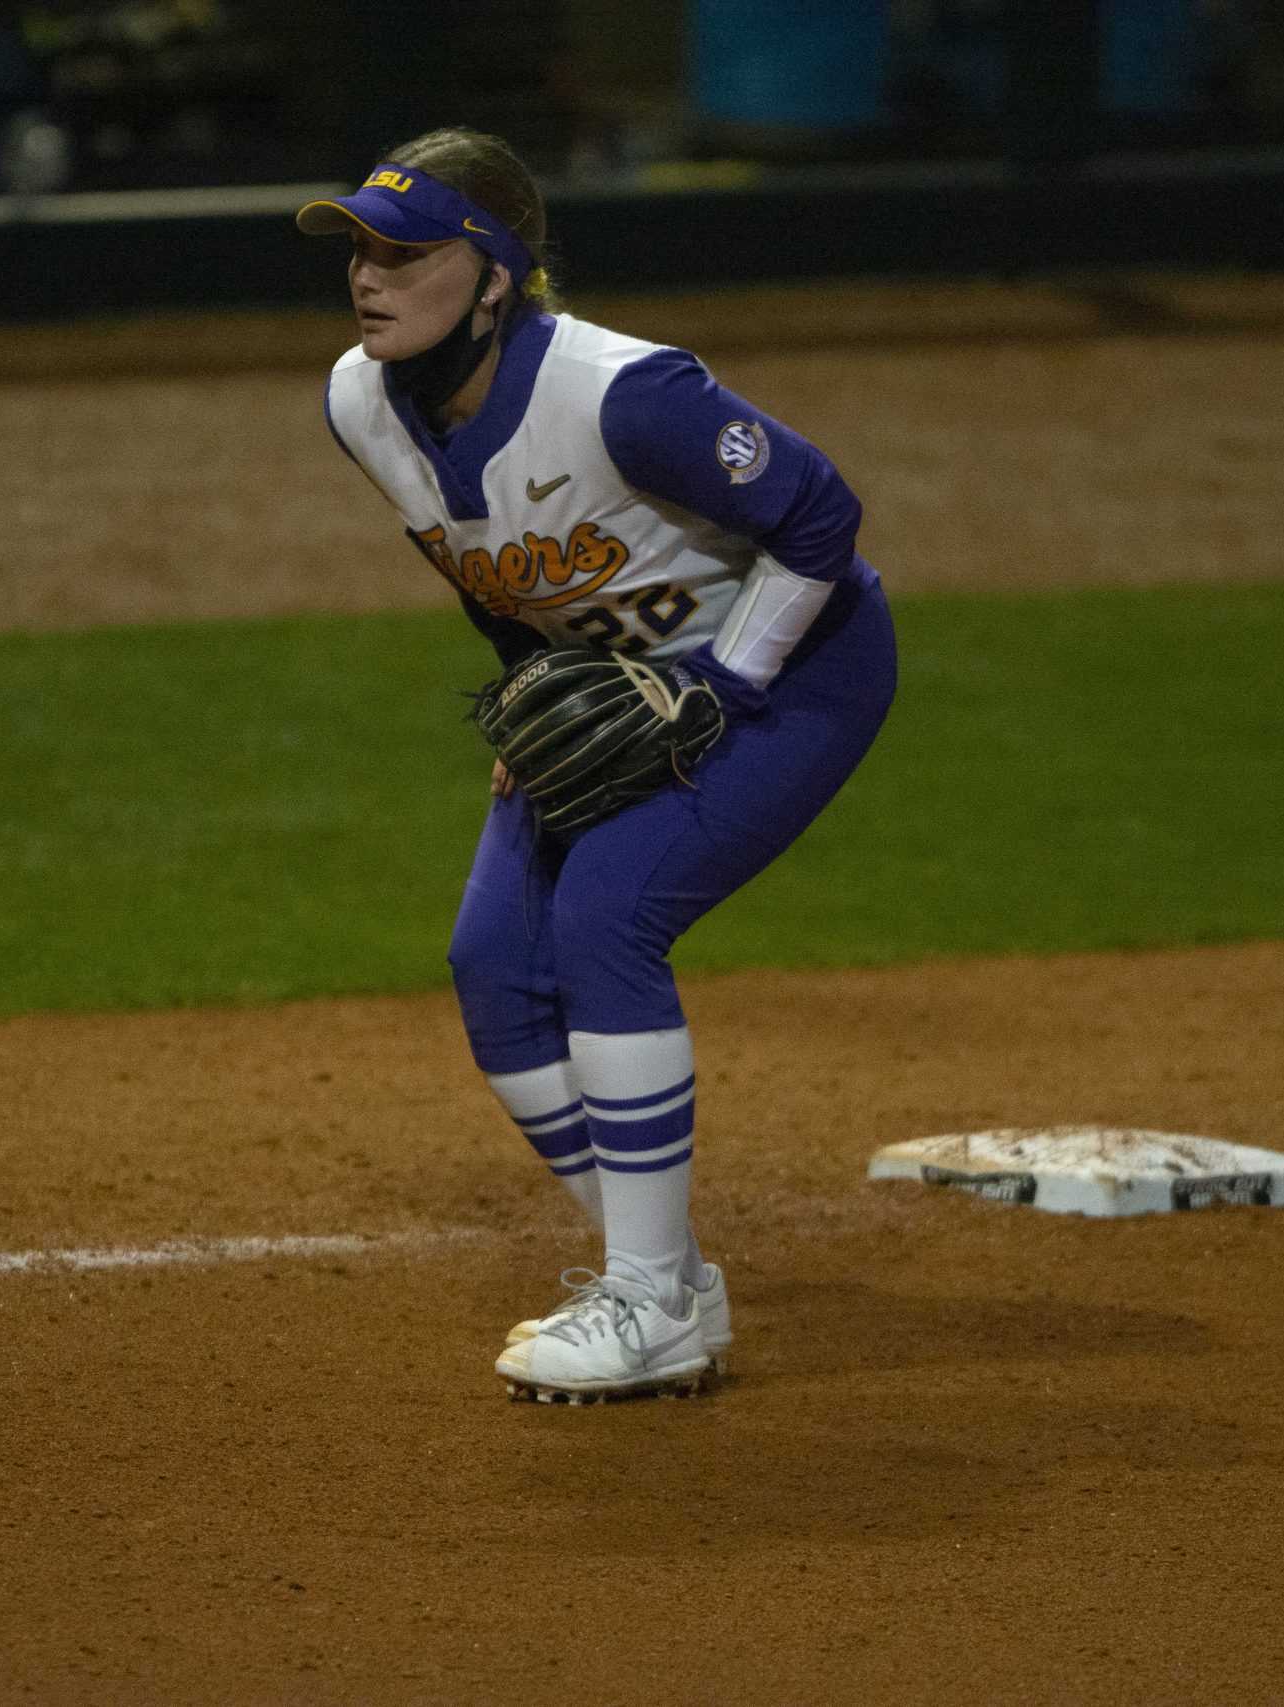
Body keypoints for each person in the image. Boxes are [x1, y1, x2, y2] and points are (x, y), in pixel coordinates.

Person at [296, 129, 897, 1403]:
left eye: (405, 251)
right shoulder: (362, 402)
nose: (368, 274)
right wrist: (534, 694)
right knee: (493, 966)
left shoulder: (626, 394)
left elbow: (820, 518)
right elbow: (491, 580)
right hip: (618, 691)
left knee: (606, 917)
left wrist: (723, 686)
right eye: (358, 244)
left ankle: (645, 1302)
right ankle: (666, 1275)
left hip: (797, 668)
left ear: (497, 274)